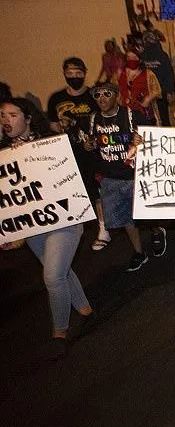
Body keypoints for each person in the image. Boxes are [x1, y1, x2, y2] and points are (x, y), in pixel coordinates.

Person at [0, 98, 95, 360]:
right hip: (34, 225)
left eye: (12, 114)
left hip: (65, 219)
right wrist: (9, 231)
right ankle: (84, 307)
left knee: (52, 276)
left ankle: (59, 332)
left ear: (28, 118)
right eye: (2, 115)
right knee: (60, 269)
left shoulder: (52, 142)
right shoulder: (3, 155)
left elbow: (75, 173)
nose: (6, 120)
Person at [84, 82, 166, 271]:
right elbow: (93, 143)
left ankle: (156, 231)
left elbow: (152, 135)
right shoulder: (93, 119)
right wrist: (90, 146)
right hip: (110, 177)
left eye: (106, 94)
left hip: (134, 175)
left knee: (145, 214)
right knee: (125, 218)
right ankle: (139, 252)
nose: (101, 99)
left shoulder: (130, 116)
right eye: (97, 95)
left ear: (117, 96)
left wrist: (141, 139)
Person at [46, 57, 110, 248]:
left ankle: (103, 227)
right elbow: (53, 125)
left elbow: (104, 119)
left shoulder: (93, 95)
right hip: (69, 152)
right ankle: (75, 229)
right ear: (64, 73)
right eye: (70, 74)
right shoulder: (56, 99)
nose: (74, 77)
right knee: (75, 190)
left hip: (93, 151)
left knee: (97, 189)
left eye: (78, 73)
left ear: (85, 73)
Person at [117, 41, 162, 124]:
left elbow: (157, 90)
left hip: (143, 112)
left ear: (139, 59)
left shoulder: (148, 74)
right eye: (129, 57)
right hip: (125, 113)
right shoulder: (120, 73)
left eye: (134, 57)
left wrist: (148, 98)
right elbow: (117, 91)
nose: (131, 59)